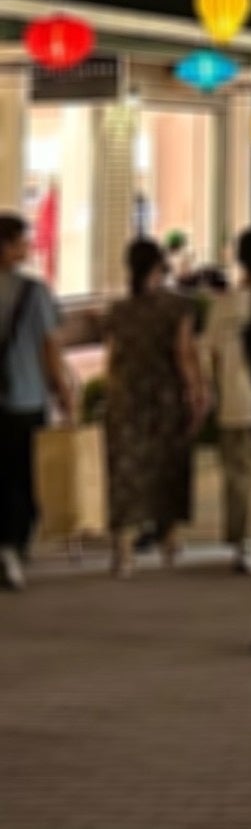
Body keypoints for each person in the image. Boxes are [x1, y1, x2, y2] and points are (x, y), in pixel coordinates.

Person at [104, 237, 206, 576]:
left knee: (126, 471)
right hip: (165, 394)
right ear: (159, 267)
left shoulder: (118, 310)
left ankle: (123, 550)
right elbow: (184, 354)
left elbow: (113, 358)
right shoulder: (177, 307)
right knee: (169, 464)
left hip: (126, 396)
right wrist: (197, 391)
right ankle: (170, 539)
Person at [1, 214, 78, 593]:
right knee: (21, 477)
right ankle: (11, 547)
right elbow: (50, 348)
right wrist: (63, 393)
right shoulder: (34, 292)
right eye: (21, 241)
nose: (27, 248)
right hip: (24, 398)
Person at [203, 229, 251, 576]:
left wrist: (212, 391)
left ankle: (245, 543)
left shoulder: (224, 305)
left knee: (240, 474)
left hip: (235, 399)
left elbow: (210, 354)